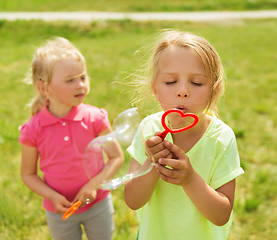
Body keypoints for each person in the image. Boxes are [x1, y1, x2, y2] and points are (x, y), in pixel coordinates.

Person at [124, 30, 244, 240]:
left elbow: (221, 215)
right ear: (155, 89)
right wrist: (152, 164)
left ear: (214, 91)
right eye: (170, 82)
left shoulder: (221, 138)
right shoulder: (148, 129)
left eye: (196, 83)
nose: (182, 91)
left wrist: (190, 180)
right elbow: (133, 201)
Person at [19, 37, 124, 240]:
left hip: (98, 205)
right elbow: (28, 175)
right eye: (70, 80)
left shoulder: (95, 118)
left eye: (83, 77)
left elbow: (116, 157)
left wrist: (93, 185)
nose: (80, 85)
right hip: (59, 211)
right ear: (44, 88)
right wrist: (52, 197)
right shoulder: (33, 129)